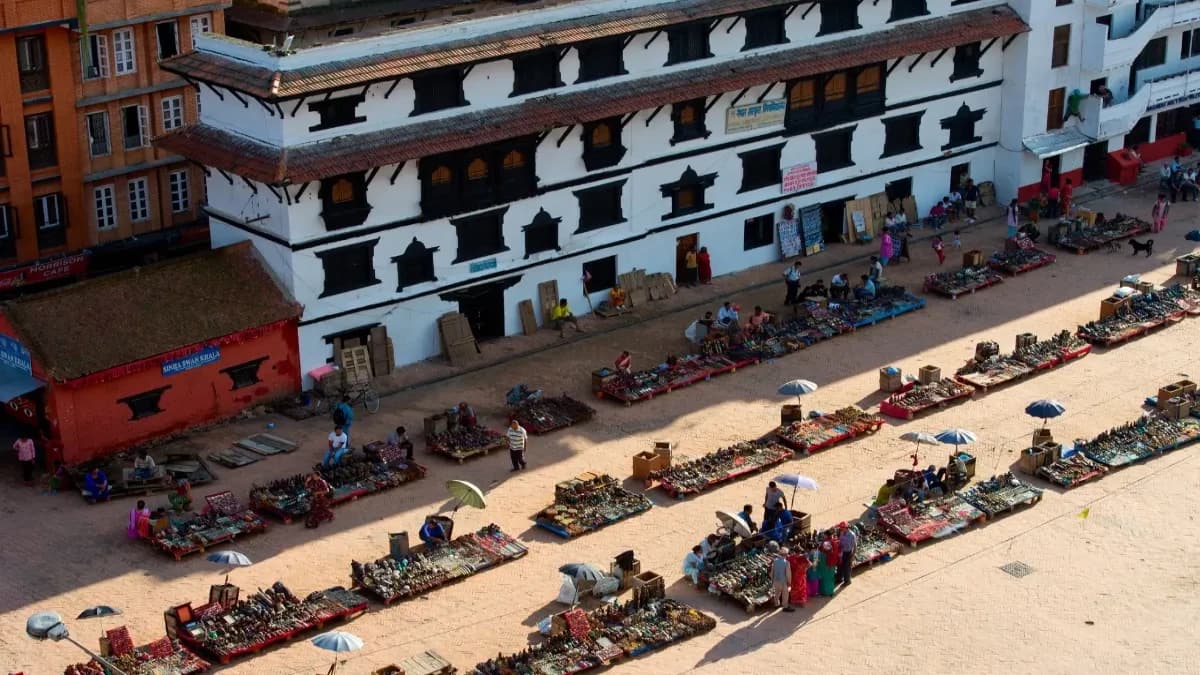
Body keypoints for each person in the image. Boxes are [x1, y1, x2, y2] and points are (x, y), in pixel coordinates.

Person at [769, 543, 794, 612]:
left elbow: (772, 572)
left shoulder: (775, 561)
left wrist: (772, 579)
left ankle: (776, 604)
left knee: (777, 593)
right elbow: (788, 574)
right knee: (785, 594)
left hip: (776, 580)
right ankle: (785, 606)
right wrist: (789, 582)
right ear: (785, 555)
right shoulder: (786, 563)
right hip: (783, 581)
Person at [837, 522, 857, 587]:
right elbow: (840, 542)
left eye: (841, 528)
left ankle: (847, 581)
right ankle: (839, 579)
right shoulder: (842, 533)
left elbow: (855, 546)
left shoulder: (852, 535)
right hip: (842, 552)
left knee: (847, 568)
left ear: (845, 528)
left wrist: (853, 555)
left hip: (848, 553)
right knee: (840, 566)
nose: (840, 529)